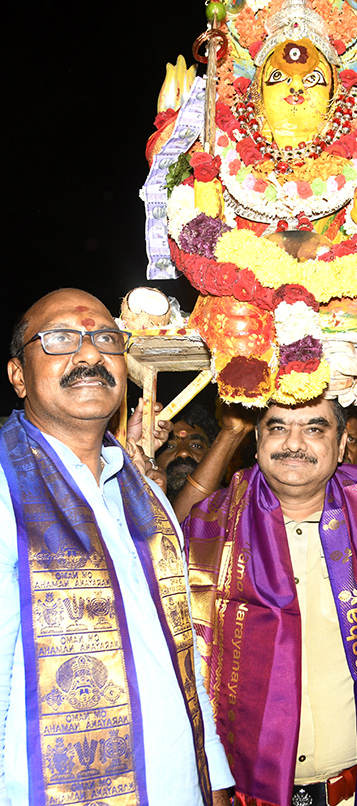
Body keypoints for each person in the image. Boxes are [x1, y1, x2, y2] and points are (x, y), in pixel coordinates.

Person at [0, 289, 234, 805]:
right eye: (60, 338)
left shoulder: (146, 494)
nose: (89, 354)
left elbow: (183, 655)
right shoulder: (5, 486)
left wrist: (212, 774)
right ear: (18, 375)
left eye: (106, 338)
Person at [185, 396, 357, 806]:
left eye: (314, 429)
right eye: (277, 427)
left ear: (341, 448)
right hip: (242, 794)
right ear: (258, 440)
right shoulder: (208, 532)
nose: (293, 443)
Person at [156, 404, 220, 501]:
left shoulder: (236, 508)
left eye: (196, 446)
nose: (183, 452)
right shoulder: (131, 507)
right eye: (169, 446)